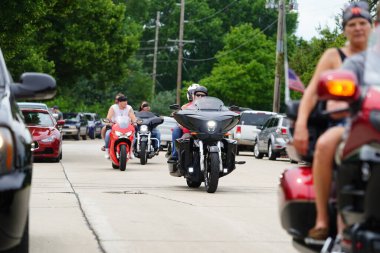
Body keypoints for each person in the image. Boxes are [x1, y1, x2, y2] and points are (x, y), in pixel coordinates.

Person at [293, 1, 372, 240]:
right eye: (352, 24)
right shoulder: (334, 56)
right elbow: (312, 92)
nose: (358, 28)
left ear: (371, 26)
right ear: (345, 29)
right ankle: (322, 219)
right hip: (346, 124)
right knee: (326, 145)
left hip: (375, 123)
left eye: (362, 23)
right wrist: (301, 124)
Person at [168, 85, 208, 162]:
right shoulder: (186, 107)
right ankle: (175, 155)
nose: (200, 97)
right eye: (198, 95)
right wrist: (177, 115)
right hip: (189, 130)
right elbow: (180, 115)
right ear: (193, 95)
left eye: (202, 95)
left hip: (205, 131)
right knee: (177, 130)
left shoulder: (210, 107)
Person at [104, 95, 137, 159]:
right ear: (119, 102)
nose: (126, 103)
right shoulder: (113, 107)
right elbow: (108, 117)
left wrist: (135, 122)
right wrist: (109, 122)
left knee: (134, 136)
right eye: (124, 101)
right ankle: (107, 151)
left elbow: (132, 117)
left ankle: (131, 151)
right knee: (108, 134)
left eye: (126, 101)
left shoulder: (129, 108)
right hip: (115, 127)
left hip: (127, 127)